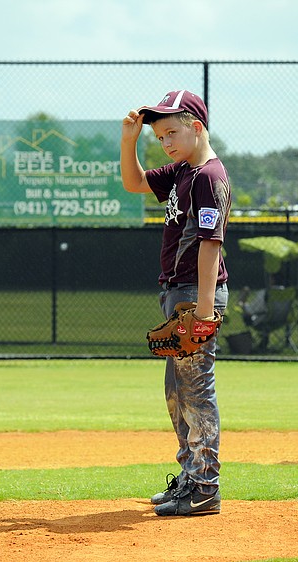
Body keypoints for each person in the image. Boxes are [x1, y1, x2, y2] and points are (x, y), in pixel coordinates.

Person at [120, 90, 231, 516]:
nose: (164, 142)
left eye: (171, 132)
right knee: (176, 390)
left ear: (196, 127)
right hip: (178, 292)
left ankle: (205, 487)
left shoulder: (207, 176)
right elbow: (134, 183)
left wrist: (203, 311)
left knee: (196, 389)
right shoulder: (185, 171)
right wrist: (129, 141)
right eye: (159, 135)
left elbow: (210, 246)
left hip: (194, 294)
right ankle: (189, 475)